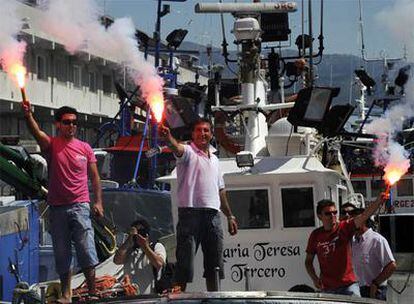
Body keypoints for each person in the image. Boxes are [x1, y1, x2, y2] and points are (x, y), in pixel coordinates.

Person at [22, 102, 103, 303]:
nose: (71, 126)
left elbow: (95, 178)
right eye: (67, 122)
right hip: (57, 208)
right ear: (58, 124)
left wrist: (99, 202)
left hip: (80, 205)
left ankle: (93, 290)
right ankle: (67, 294)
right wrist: (28, 115)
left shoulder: (85, 148)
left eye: (74, 122)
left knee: (86, 248)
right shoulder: (52, 145)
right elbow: (36, 132)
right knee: (62, 252)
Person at [159, 117, 238, 292]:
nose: (202, 133)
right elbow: (176, 147)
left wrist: (230, 216)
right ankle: (177, 299)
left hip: (213, 216)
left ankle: (214, 299)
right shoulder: (188, 152)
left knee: (215, 266)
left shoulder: (216, 160)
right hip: (190, 214)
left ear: (210, 134)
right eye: (198, 130)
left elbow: (221, 191)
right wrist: (167, 137)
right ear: (193, 134)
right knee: (184, 266)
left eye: (206, 130)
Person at [305, 191, 388, 296]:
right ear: (319, 216)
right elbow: (308, 261)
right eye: (328, 213)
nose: (333, 216)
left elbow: (364, 216)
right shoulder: (315, 235)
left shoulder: (344, 227)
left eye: (335, 212)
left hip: (348, 285)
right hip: (327, 287)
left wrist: (378, 201)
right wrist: (314, 279)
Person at [351, 208, 396, 300]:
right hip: (357, 290)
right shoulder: (354, 242)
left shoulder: (377, 240)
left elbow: (391, 265)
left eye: (355, 221)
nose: (352, 224)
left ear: (363, 220)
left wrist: (375, 283)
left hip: (375, 290)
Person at [113, 218, 166, 294]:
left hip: (151, 297)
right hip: (131, 297)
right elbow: (117, 261)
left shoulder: (156, 246)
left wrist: (145, 247)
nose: (139, 236)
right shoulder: (129, 251)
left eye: (141, 232)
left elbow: (159, 264)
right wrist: (129, 239)